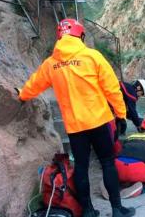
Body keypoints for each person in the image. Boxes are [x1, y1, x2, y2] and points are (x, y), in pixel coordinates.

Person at [17, 19, 135, 217]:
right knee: (107, 162)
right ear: (80, 36)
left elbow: (34, 85)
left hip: (74, 126)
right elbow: (112, 88)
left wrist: (21, 95)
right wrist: (121, 114)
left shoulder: (51, 63)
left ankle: (88, 211)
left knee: (81, 167)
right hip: (99, 121)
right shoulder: (92, 56)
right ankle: (117, 210)